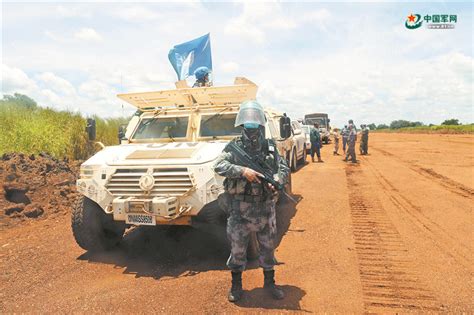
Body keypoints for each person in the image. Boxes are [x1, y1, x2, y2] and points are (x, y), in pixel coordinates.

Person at [213, 100, 290, 302]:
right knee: (238, 249)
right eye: (247, 124)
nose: (251, 127)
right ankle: (236, 286)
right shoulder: (234, 148)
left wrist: (277, 180)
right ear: (241, 125)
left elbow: (283, 168)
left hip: (265, 206)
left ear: (261, 125)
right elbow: (219, 165)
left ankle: (270, 284)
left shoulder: (270, 148)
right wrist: (242, 171)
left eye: (254, 124)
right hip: (240, 208)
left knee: (268, 247)